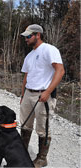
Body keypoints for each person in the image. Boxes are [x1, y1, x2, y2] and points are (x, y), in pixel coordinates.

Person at [20, 24, 65, 167]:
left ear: (37, 35)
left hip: (43, 95)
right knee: (25, 125)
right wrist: (22, 96)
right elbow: (26, 76)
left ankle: (42, 158)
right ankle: (22, 152)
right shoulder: (29, 55)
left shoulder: (49, 49)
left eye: (29, 36)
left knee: (42, 127)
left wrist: (47, 91)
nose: (26, 39)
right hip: (29, 93)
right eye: (25, 37)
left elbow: (60, 71)